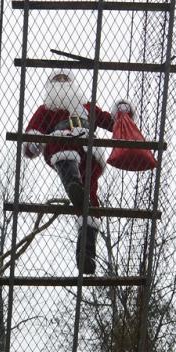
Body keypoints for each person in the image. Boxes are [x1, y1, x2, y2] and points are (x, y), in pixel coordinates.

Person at [22, 69, 134, 274]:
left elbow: (109, 123)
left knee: (91, 202)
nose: (62, 82)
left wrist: (122, 113)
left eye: (65, 78)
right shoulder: (47, 108)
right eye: (57, 79)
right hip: (61, 142)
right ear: (50, 86)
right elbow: (33, 131)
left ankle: (86, 253)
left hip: (88, 151)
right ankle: (73, 184)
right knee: (64, 149)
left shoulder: (87, 107)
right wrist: (33, 142)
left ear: (73, 83)